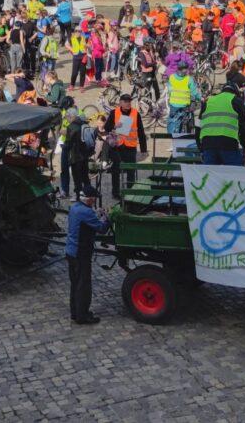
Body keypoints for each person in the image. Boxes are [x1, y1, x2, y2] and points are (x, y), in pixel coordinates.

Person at [66, 184, 108, 325]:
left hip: (71, 251)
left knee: (75, 284)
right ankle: (83, 316)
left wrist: (97, 213)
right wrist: (107, 217)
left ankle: (75, 312)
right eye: (93, 199)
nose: (94, 202)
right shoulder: (87, 212)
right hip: (81, 253)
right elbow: (101, 228)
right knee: (84, 285)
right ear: (89, 199)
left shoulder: (74, 208)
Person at [102, 95, 147, 197]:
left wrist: (144, 149)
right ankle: (116, 193)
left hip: (130, 147)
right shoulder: (114, 112)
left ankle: (130, 192)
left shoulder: (136, 113)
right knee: (116, 171)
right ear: (120, 102)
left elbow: (141, 131)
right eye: (125, 101)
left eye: (129, 101)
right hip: (117, 147)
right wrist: (114, 126)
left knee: (131, 170)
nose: (128, 103)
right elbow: (106, 128)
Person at [196, 84, 245, 165]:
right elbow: (244, 127)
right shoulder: (236, 101)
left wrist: (201, 149)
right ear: (236, 93)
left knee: (210, 176)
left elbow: (198, 126)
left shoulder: (208, 101)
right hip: (228, 144)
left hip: (208, 144)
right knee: (234, 175)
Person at [166, 61, 200, 136]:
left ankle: (173, 136)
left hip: (173, 105)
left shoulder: (171, 77)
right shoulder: (189, 79)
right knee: (188, 123)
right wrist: (201, 98)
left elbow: (169, 89)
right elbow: (195, 93)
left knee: (174, 122)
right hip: (185, 106)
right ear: (184, 70)